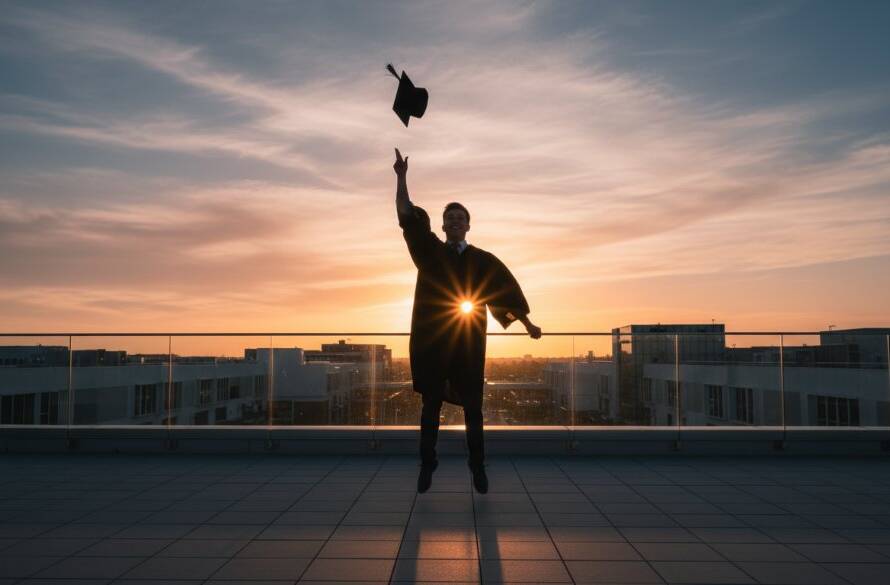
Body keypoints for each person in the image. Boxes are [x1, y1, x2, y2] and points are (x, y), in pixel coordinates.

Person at [393, 148, 542, 494]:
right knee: (430, 408)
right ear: (443, 226)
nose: (456, 222)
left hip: (469, 344)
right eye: (451, 218)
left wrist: (528, 325)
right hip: (434, 343)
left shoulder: (481, 260)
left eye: (461, 218)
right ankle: (427, 464)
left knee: (473, 410)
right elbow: (407, 219)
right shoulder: (430, 253)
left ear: (468, 225)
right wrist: (401, 178)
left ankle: (477, 467)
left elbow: (504, 293)